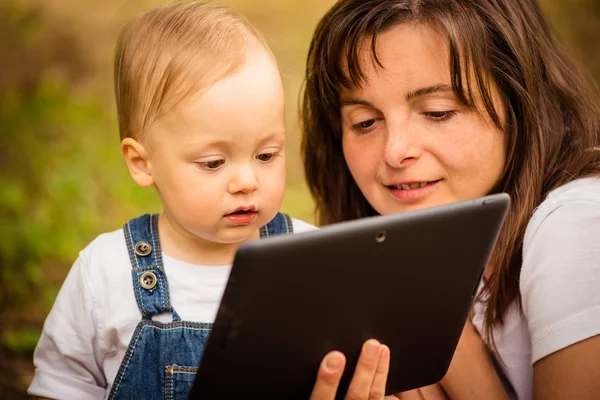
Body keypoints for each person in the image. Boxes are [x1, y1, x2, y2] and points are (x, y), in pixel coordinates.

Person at [27, 2, 393, 399]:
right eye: (214, 162)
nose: (246, 181)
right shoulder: (105, 272)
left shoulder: (310, 259)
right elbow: (62, 386)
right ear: (142, 163)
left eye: (267, 155)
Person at [302, 0, 600, 399]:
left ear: (520, 99)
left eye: (438, 112)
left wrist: (459, 358)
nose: (395, 151)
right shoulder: (407, 262)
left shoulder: (574, 223)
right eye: (365, 122)